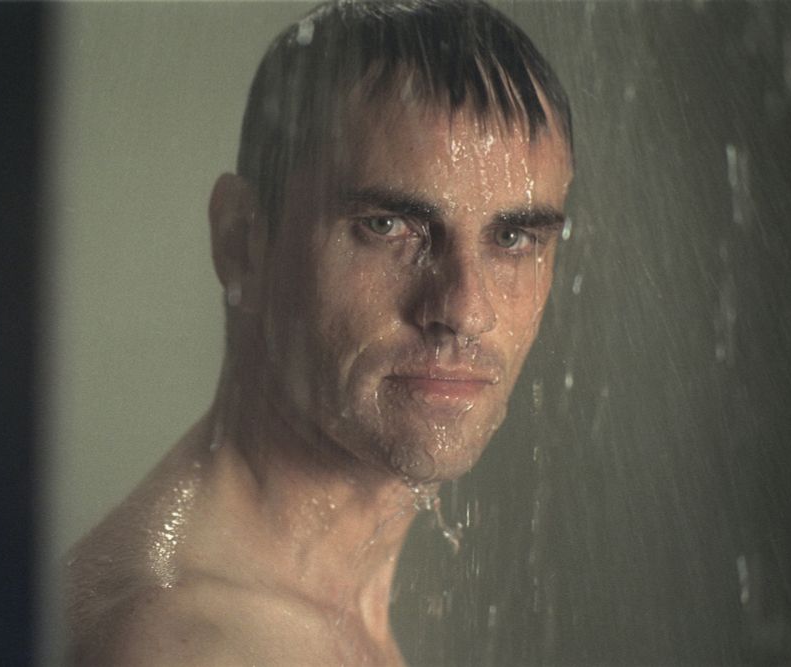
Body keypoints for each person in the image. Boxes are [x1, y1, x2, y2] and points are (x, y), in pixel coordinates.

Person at [66, 1, 573, 664]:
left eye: (512, 238)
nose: (465, 309)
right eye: (388, 227)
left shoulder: (301, 613)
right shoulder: (189, 644)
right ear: (242, 241)